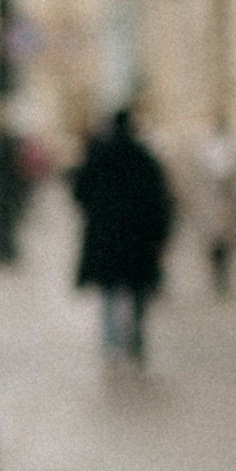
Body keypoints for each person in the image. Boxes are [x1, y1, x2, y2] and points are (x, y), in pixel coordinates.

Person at [71, 103, 176, 362]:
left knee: (108, 292)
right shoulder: (144, 158)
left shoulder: (99, 156)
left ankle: (111, 344)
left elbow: (79, 192)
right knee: (138, 290)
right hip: (137, 238)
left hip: (106, 237)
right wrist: (161, 235)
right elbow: (160, 201)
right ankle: (136, 339)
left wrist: (98, 212)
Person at [192, 120, 236, 298]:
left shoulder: (221, 148)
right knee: (218, 245)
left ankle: (221, 279)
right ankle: (220, 279)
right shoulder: (217, 148)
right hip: (216, 208)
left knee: (221, 245)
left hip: (221, 209)